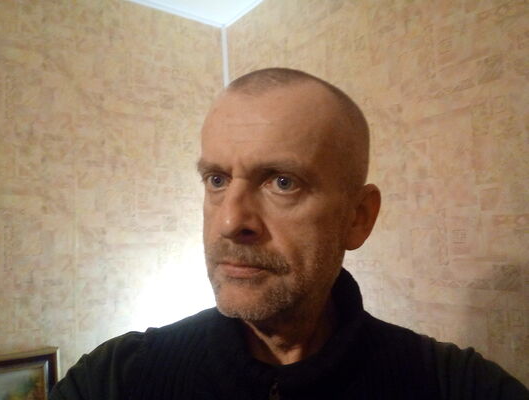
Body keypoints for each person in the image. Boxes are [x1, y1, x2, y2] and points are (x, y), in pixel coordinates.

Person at [50, 68, 528, 399]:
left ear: (358, 218)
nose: (229, 221)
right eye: (216, 180)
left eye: (282, 182)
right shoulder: (117, 377)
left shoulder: (451, 384)